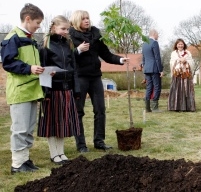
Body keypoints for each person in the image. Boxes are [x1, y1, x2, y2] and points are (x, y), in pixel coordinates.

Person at [69, 10, 129, 153]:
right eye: (83, 19)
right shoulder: (70, 37)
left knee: (100, 110)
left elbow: (106, 54)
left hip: (95, 77)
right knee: (79, 112)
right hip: (79, 77)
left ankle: (99, 141)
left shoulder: (96, 35)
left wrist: (120, 60)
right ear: (77, 21)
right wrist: (77, 50)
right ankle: (81, 144)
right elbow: (66, 58)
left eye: (88, 18)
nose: (87, 21)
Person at [0, 3, 44, 174]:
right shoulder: (13, 37)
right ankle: (17, 164)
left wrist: (40, 70)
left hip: (32, 89)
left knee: (28, 127)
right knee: (19, 129)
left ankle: (25, 160)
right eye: (38, 22)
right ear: (27, 19)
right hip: (20, 90)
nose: (39, 26)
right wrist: (30, 69)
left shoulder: (30, 38)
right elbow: (9, 63)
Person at [37, 15, 80, 165]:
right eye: (63, 28)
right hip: (52, 90)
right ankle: (53, 153)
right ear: (54, 27)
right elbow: (43, 70)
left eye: (67, 29)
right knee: (52, 123)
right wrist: (45, 92)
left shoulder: (68, 44)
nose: (65, 31)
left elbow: (73, 68)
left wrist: (76, 89)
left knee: (63, 123)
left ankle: (61, 152)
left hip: (67, 89)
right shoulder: (45, 45)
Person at [168, 38, 196, 112]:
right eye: (179, 44)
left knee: (186, 89)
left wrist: (186, 61)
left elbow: (192, 62)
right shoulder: (173, 53)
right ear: (176, 45)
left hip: (185, 75)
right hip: (177, 75)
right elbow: (171, 62)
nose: (180, 45)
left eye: (181, 44)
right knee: (177, 89)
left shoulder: (188, 53)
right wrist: (178, 60)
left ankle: (188, 107)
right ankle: (176, 107)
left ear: (184, 45)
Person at [142, 29, 164, 112]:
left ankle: (147, 108)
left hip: (147, 69)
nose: (158, 36)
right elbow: (157, 58)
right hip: (154, 69)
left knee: (149, 87)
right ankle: (155, 108)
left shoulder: (144, 44)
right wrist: (160, 70)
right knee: (157, 87)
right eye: (157, 34)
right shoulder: (154, 43)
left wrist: (144, 67)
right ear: (154, 34)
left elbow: (143, 58)